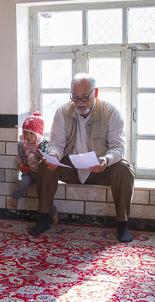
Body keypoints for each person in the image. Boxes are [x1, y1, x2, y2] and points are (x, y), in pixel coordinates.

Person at [29, 73, 135, 242]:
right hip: (72, 168)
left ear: (96, 93)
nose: (79, 103)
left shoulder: (110, 112)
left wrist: (105, 160)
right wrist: (54, 156)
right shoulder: (62, 112)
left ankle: (123, 224)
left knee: (124, 169)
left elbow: (118, 147)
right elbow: (57, 143)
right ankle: (44, 218)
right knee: (45, 165)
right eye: (75, 98)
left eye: (84, 97)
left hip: (100, 168)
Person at [8, 111, 58, 224]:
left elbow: (46, 156)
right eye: (25, 133)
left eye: (31, 133)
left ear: (38, 134)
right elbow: (19, 157)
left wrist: (43, 161)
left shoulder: (42, 145)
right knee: (22, 183)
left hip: (41, 174)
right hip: (29, 173)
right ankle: (15, 198)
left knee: (43, 194)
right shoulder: (23, 145)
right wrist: (19, 164)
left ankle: (53, 212)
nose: (27, 136)